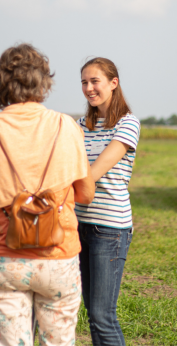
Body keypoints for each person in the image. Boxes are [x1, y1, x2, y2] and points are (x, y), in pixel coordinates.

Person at [0, 44, 95, 346]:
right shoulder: (67, 126)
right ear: (43, 81)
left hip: (4, 256)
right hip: (58, 255)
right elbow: (86, 194)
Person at [75, 58, 140, 345]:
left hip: (110, 230)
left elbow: (91, 174)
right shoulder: (81, 124)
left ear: (113, 83)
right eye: (84, 82)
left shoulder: (127, 124)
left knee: (103, 315)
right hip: (79, 225)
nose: (89, 88)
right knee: (91, 313)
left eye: (95, 81)